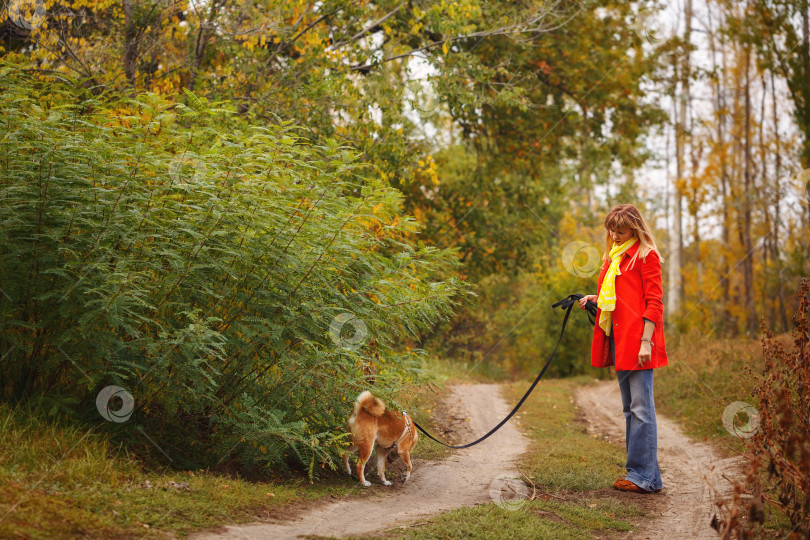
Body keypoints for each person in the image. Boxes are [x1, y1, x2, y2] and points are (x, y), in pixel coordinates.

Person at [578, 203, 668, 494]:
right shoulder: (614, 257)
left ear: (635, 229)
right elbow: (619, 295)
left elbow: (654, 302)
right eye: (612, 230)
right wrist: (596, 298)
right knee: (630, 408)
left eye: (621, 230)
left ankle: (646, 476)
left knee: (642, 408)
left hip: (640, 340)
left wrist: (646, 341)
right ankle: (639, 473)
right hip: (619, 337)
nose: (615, 236)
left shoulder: (646, 255)